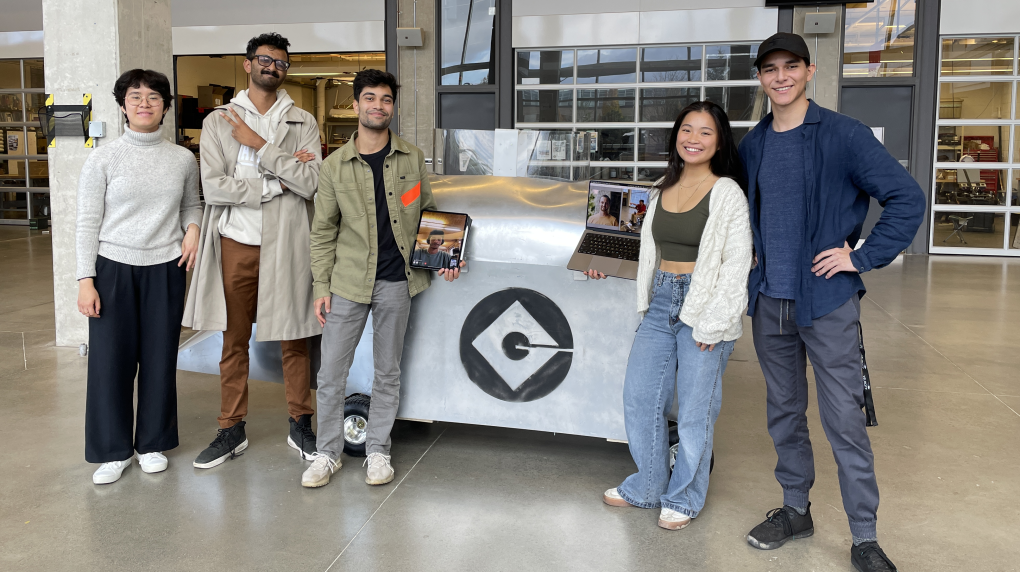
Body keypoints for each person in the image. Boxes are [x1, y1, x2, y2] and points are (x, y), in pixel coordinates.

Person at [739, 33, 924, 572]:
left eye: (790, 66)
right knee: (784, 413)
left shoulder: (844, 135)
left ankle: (864, 536)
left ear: (809, 71)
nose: (780, 77)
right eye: (770, 69)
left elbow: (906, 198)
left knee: (843, 418)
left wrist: (861, 257)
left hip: (826, 302)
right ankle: (796, 510)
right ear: (760, 78)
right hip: (770, 302)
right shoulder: (754, 145)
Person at [588, 101, 752, 531]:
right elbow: (644, 253)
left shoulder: (727, 193)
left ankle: (684, 496)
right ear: (675, 136)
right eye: (687, 130)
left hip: (704, 305)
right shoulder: (660, 190)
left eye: (705, 132)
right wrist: (601, 260)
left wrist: (714, 323)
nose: (693, 139)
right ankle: (646, 485)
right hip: (661, 300)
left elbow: (737, 265)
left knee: (696, 411)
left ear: (719, 142)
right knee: (640, 397)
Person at [302, 69, 464, 489]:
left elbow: (429, 215)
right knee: (330, 373)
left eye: (386, 99)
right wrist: (321, 286)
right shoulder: (334, 166)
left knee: (387, 371)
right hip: (348, 283)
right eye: (370, 98)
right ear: (355, 105)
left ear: (393, 106)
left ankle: (377, 451)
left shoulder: (411, 158)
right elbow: (322, 232)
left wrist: (444, 255)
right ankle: (327, 453)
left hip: (397, 282)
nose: (378, 106)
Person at [182, 32, 324, 469]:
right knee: (233, 339)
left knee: (295, 337)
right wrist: (279, 179)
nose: (272, 67)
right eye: (264, 60)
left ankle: (301, 422)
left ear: (286, 69)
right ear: (248, 64)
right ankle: (231, 427)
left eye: (280, 62)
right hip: (236, 244)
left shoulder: (303, 120)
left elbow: (312, 182)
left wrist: (261, 148)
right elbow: (214, 188)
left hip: (288, 246)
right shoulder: (219, 122)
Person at [76, 69, 202, 484]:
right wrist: (85, 279)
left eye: (153, 97)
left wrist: (193, 230)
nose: (144, 103)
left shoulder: (183, 158)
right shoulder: (104, 158)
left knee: (159, 359)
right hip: (113, 268)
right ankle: (113, 451)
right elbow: (87, 222)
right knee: (110, 362)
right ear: (123, 105)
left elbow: (191, 206)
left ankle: (152, 444)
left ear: (165, 106)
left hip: (165, 268)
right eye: (135, 96)